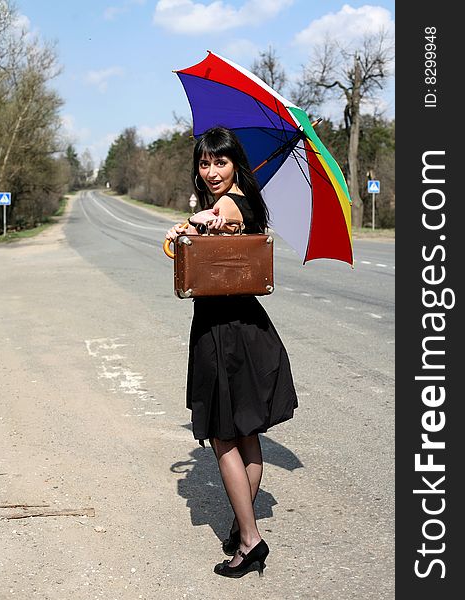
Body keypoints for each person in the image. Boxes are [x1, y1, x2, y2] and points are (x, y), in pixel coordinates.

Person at [165, 126, 298, 579]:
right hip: (249, 329)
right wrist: (188, 229)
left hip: (223, 335)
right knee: (247, 434)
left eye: (220, 162)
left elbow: (224, 219)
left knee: (223, 437)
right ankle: (244, 528)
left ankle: (251, 539)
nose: (211, 171)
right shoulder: (251, 200)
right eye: (204, 163)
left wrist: (203, 221)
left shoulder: (226, 205)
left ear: (235, 163)